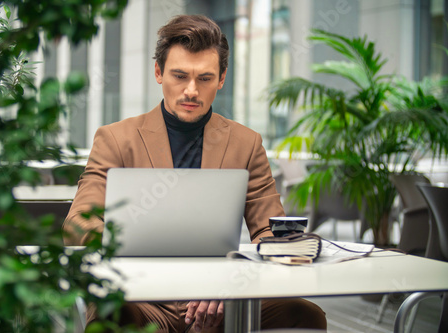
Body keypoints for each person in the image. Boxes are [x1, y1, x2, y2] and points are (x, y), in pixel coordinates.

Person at [63, 14, 327, 332]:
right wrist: (130, 263)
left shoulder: (246, 143)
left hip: (221, 297)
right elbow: (78, 223)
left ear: (222, 78)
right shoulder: (116, 139)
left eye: (204, 78)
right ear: (158, 73)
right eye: (179, 76)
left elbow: (267, 232)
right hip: (142, 298)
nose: (191, 91)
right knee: (108, 314)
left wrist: (229, 279)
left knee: (305, 315)